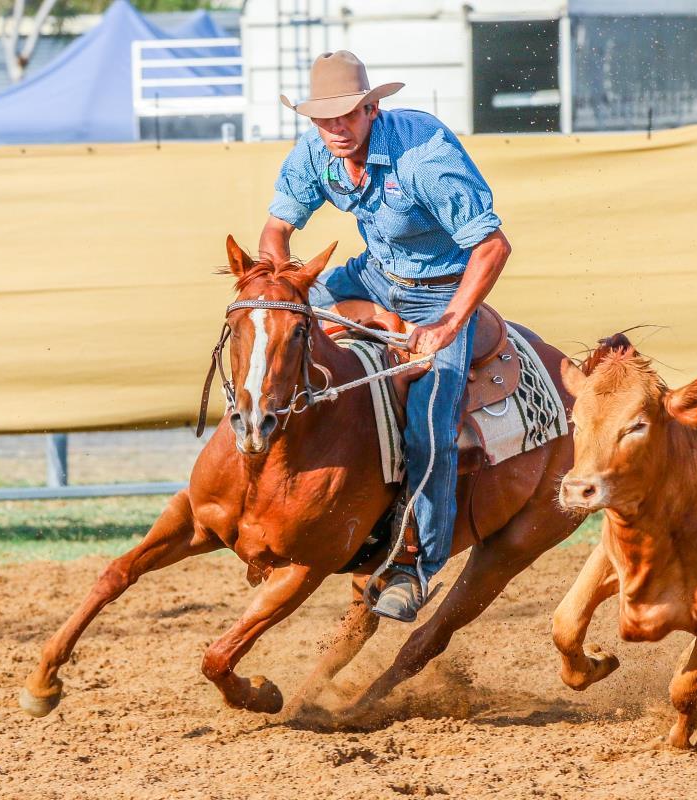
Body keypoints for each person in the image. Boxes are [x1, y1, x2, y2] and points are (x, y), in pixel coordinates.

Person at [259, 50, 512, 623]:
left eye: (347, 114)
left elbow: (492, 245)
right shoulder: (315, 153)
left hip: (441, 292)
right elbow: (276, 229)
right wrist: (279, 285)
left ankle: (417, 564)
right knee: (266, 327)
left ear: (372, 109)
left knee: (430, 424)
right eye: (324, 119)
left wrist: (447, 325)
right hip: (373, 275)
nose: (336, 128)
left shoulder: (423, 154)